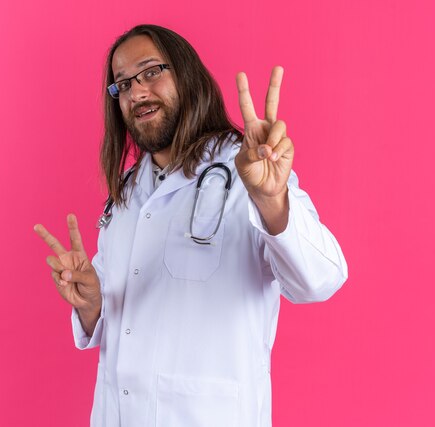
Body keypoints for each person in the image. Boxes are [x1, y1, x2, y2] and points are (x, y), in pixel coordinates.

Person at [34, 24, 347, 427]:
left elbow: (321, 280)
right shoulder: (127, 194)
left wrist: (272, 200)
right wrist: (93, 305)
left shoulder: (246, 171)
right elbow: (129, 318)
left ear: (186, 74)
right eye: (123, 85)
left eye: (150, 72)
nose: (137, 93)